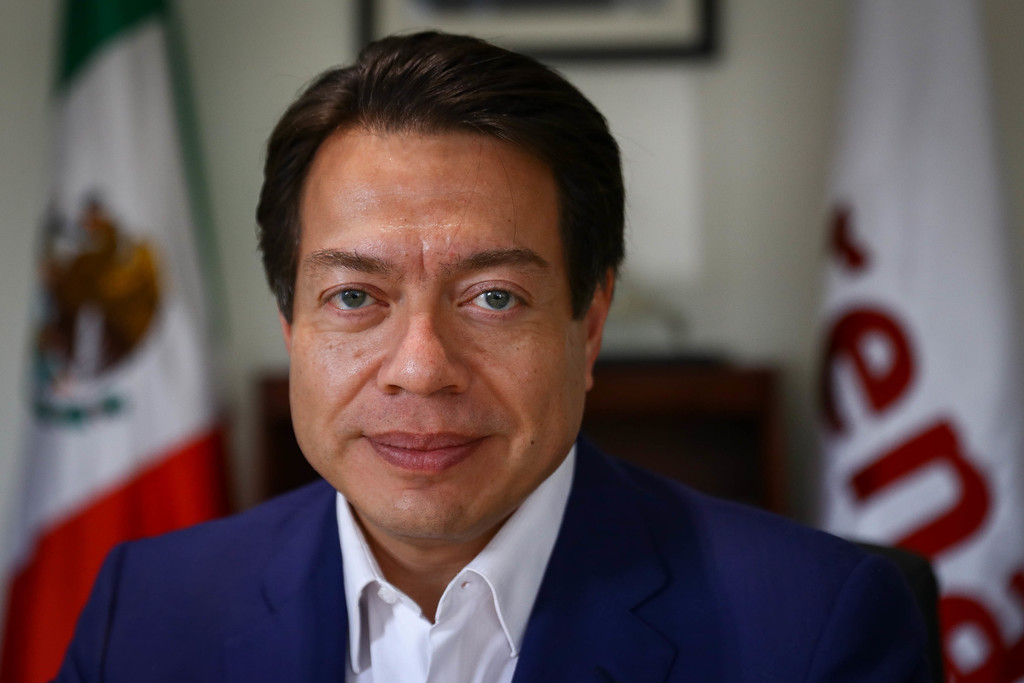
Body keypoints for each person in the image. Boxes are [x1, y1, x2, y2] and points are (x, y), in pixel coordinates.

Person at [56, 31, 930, 682]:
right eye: (354, 297)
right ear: (292, 326)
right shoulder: (146, 612)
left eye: (494, 297)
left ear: (589, 325)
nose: (420, 367)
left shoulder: (814, 626)